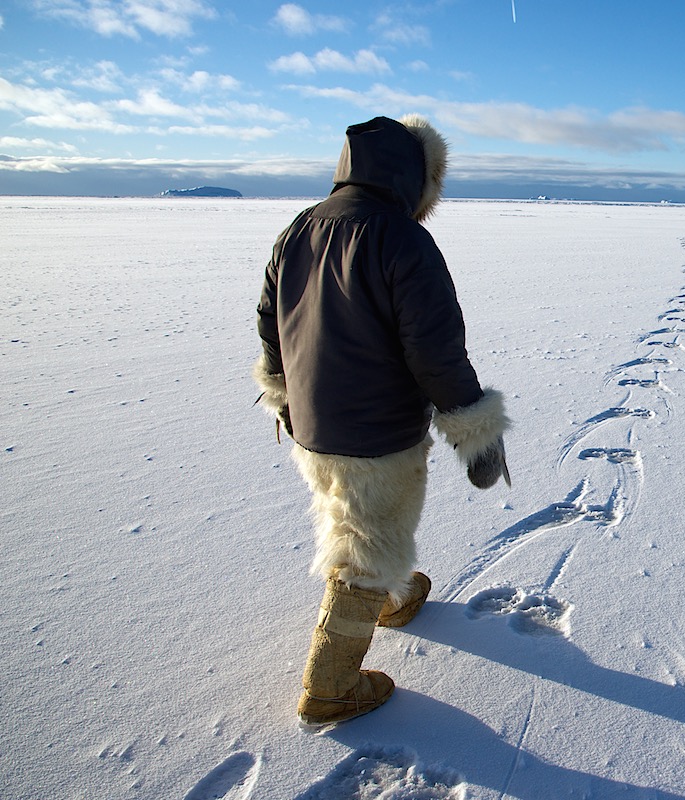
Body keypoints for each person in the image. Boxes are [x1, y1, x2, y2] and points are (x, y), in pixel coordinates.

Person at [253, 114, 510, 726]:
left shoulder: (300, 228)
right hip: (379, 433)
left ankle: (392, 599)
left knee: (351, 517)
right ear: (419, 177)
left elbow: (270, 324)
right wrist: (477, 435)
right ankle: (331, 684)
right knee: (367, 547)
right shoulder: (402, 239)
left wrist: (286, 398)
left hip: (312, 424)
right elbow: (436, 352)